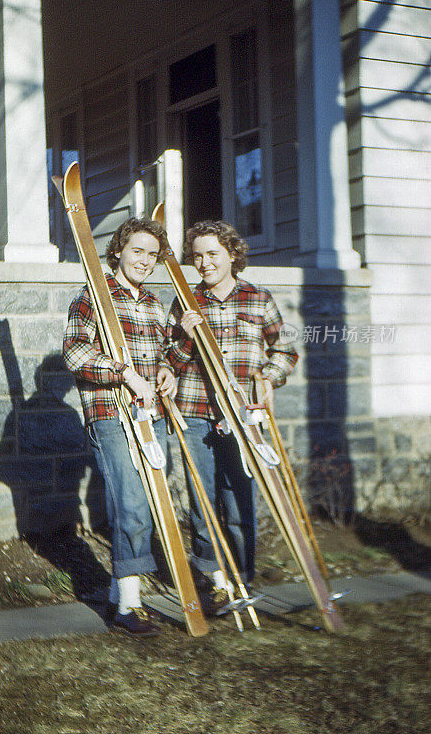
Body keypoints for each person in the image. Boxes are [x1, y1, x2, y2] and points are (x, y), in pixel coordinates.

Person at [165, 220, 298, 612]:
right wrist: (185, 336)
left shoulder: (258, 298)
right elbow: (169, 362)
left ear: (232, 255)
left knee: (239, 494)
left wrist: (269, 379)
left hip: (242, 413)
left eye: (212, 254)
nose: (204, 263)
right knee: (202, 498)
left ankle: (242, 577)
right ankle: (214, 581)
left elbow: (285, 350)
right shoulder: (187, 301)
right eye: (197, 256)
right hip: (196, 411)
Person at [63, 217, 175, 636]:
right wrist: (124, 373)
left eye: (152, 254)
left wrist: (166, 373)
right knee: (131, 503)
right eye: (137, 251)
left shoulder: (152, 303)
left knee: (148, 500)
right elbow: (75, 354)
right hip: (111, 414)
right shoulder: (93, 297)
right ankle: (130, 608)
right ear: (118, 251)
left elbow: (162, 352)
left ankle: (116, 596)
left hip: (153, 415)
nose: (145, 261)